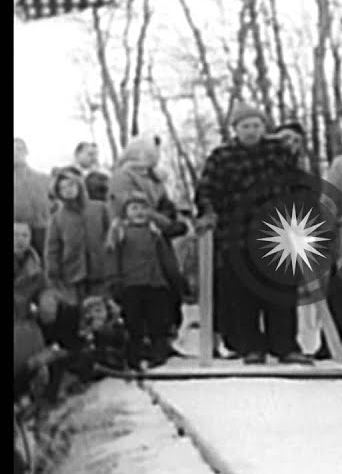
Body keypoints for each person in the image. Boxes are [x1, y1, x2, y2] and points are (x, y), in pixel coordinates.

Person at [195, 104, 312, 365]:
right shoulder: (222, 157)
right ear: (235, 129)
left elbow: (299, 184)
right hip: (237, 233)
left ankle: (285, 345)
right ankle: (251, 346)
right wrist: (207, 213)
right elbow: (206, 190)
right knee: (243, 293)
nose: (251, 131)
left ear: (264, 127)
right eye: (245, 126)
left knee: (281, 292)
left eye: (256, 125)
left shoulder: (278, 153)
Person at [106, 193, 189, 368]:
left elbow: (165, 258)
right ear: (126, 212)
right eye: (134, 208)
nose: (139, 212)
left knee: (157, 320)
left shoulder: (154, 232)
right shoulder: (120, 232)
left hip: (155, 282)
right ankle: (135, 355)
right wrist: (114, 280)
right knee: (134, 321)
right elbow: (113, 257)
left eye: (143, 208)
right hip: (132, 283)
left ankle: (158, 352)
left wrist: (173, 278)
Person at [44, 169, 113, 303]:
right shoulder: (57, 218)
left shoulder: (99, 208)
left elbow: (111, 236)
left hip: (100, 271)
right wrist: (53, 274)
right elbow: (52, 249)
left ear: (79, 186)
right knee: (77, 311)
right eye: (62, 188)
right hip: (72, 274)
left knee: (101, 309)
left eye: (70, 185)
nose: (67, 190)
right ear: (58, 193)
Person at [14, 138, 53, 259]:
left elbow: (56, 205)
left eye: (19, 149)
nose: (15, 152)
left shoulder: (44, 179)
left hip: (40, 232)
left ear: (26, 152)